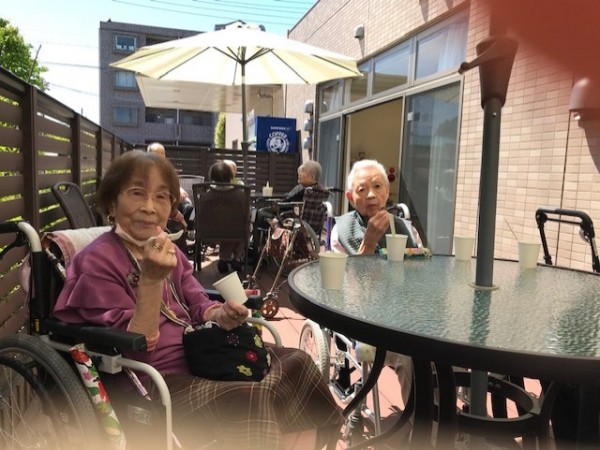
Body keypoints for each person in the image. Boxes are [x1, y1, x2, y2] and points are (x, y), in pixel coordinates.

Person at [53, 150, 342, 450]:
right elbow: (134, 348)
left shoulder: (168, 251)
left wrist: (220, 314)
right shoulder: (96, 261)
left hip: (201, 355)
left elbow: (197, 301)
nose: (150, 207)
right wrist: (151, 280)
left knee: (297, 363)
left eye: (161, 196)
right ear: (112, 203)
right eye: (137, 193)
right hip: (151, 381)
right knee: (253, 397)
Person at [330, 159, 418, 407]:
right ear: (350, 197)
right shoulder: (341, 231)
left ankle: (441, 417)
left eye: (378, 187)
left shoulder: (407, 229)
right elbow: (348, 291)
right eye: (362, 189)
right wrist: (368, 244)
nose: (371, 195)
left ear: (387, 193)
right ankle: (420, 424)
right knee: (411, 355)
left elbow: (421, 277)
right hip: (367, 322)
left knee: (448, 354)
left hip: (408, 317)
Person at [252, 160, 325, 252]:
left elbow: (286, 202)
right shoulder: (320, 191)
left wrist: (273, 204)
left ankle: (257, 251)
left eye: (303, 171)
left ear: (312, 176)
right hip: (310, 226)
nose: (299, 174)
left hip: (292, 222)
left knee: (257, 214)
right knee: (262, 212)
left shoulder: (303, 189)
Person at [208, 161, 247, 273]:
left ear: (212, 176)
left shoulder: (206, 195)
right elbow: (245, 214)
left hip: (210, 231)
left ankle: (224, 259)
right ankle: (236, 258)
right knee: (242, 225)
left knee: (228, 227)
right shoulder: (239, 194)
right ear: (231, 176)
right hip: (235, 231)